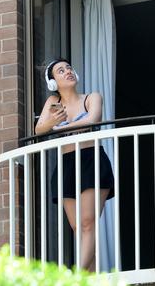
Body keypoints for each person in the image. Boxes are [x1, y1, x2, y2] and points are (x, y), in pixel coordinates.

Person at [35, 58, 114, 272]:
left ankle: (76, 277)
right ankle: (91, 278)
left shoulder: (91, 97)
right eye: (61, 71)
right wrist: (51, 123)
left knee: (88, 223)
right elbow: (39, 129)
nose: (67, 71)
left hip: (91, 159)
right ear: (53, 82)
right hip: (66, 165)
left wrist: (58, 128)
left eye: (69, 68)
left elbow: (92, 120)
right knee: (78, 228)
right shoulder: (52, 102)